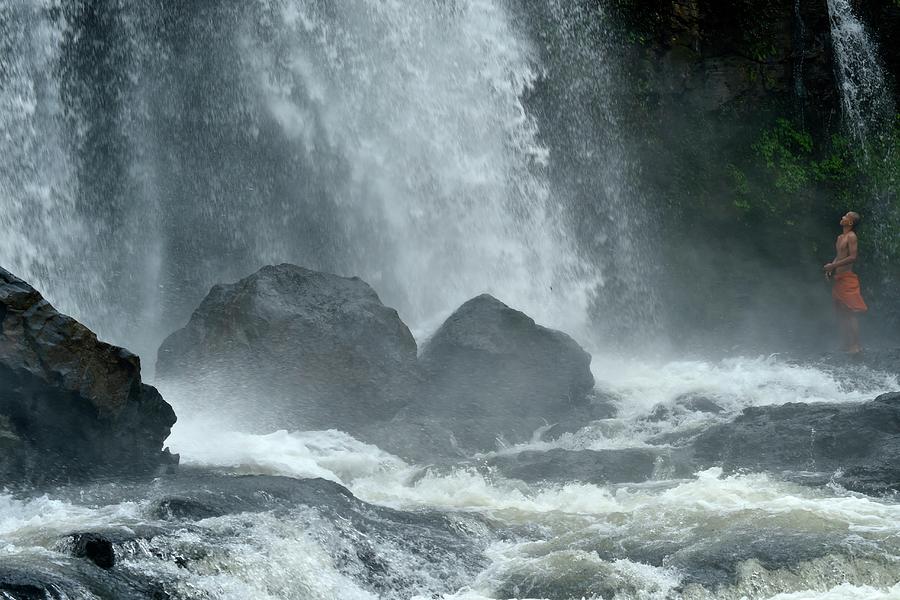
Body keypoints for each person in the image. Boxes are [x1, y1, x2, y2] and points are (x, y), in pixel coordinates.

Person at [824, 211, 867, 354]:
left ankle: (855, 345)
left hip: (848, 277)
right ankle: (845, 344)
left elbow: (853, 257)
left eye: (845, 216)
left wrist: (833, 266)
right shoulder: (840, 237)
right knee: (841, 312)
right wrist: (831, 268)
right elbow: (839, 256)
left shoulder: (852, 236)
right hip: (839, 278)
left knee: (850, 312)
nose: (842, 217)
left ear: (850, 222)